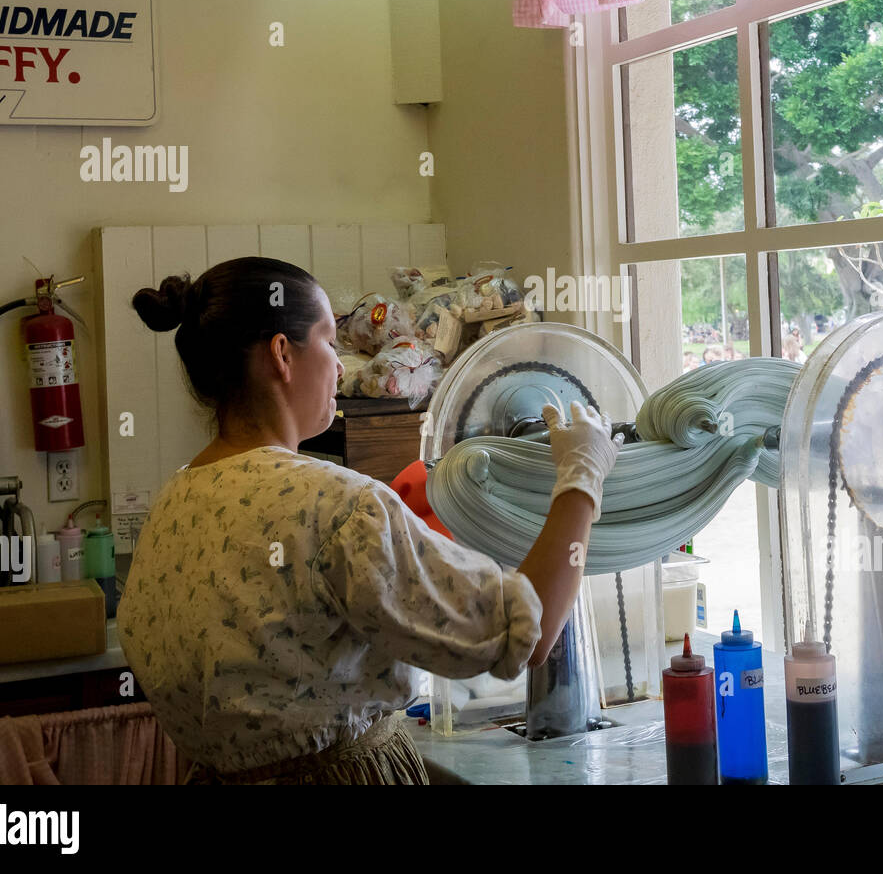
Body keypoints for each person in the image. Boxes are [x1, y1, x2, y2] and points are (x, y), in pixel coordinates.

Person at [118, 258, 619, 785]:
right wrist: (581, 478)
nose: (339, 367)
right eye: (329, 342)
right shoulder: (340, 507)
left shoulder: (169, 508)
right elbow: (527, 632)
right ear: (282, 355)